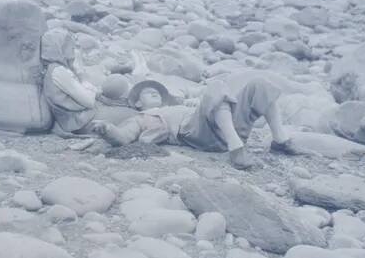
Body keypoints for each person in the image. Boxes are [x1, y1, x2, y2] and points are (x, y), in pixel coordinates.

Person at [89, 72, 298, 170]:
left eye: (158, 92)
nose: (155, 94)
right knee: (216, 87)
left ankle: (280, 140)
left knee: (259, 84)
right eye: (149, 92)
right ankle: (236, 150)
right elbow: (123, 138)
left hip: (225, 127)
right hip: (199, 135)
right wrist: (107, 129)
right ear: (137, 104)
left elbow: (199, 94)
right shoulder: (141, 118)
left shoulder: (180, 105)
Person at [40, 28, 139, 136]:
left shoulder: (54, 68)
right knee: (133, 115)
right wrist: (84, 80)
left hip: (79, 118)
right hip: (80, 121)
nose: (73, 50)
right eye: (70, 46)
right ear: (60, 47)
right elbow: (89, 102)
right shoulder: (59, 71)